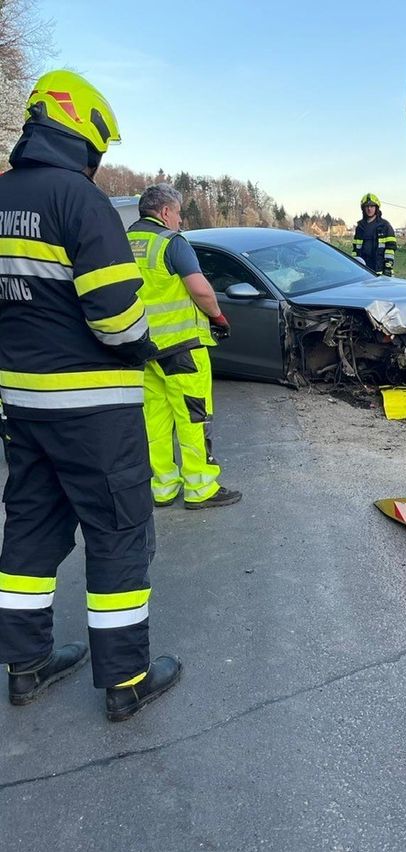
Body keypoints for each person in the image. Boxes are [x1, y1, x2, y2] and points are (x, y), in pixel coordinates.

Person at [0, 70, 180, 721]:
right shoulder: (79, 200)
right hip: (94, 412)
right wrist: (145, 346)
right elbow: (115, 317)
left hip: (21, 406)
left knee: (30, 529)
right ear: (86, 135)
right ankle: (127, 679)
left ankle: (25, 665)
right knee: (118, 533)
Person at [127, 184, 242, 510]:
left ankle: (162, 487)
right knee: (193, 418)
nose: (180, 221)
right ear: (165, 212)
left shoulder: (122, 243)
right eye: (178, 213)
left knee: (155, 420)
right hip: (181, 348)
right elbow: (201, 290)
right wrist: (218, 317)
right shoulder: (171, 243)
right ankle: (200, 488)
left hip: (143, 349)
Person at [352, 193, 396, 275]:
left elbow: (390, 248)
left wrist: (388, 267)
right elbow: (355, 249)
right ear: (363, 209)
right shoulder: (360, 227)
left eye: (372, 206)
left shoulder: (385, 226)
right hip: (363, 269)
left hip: (380, 270)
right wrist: (354, 264)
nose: (369, 209)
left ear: (376, 208)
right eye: (367, 206)